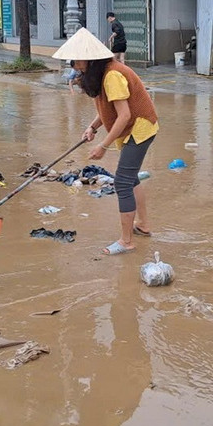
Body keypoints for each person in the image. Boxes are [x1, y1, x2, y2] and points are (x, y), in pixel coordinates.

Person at [52, 28, 158, 256]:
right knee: (130, 179)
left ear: (91, 59)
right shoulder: (103, 74)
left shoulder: (112, 76)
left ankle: (126, 241)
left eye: (77, 61)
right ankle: (144, 225)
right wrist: (92, 128)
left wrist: (103, 145)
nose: (75, 66)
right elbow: (107, 110)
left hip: (140, 128)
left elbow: (125, 115)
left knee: (122, 181)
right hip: (137, 127)